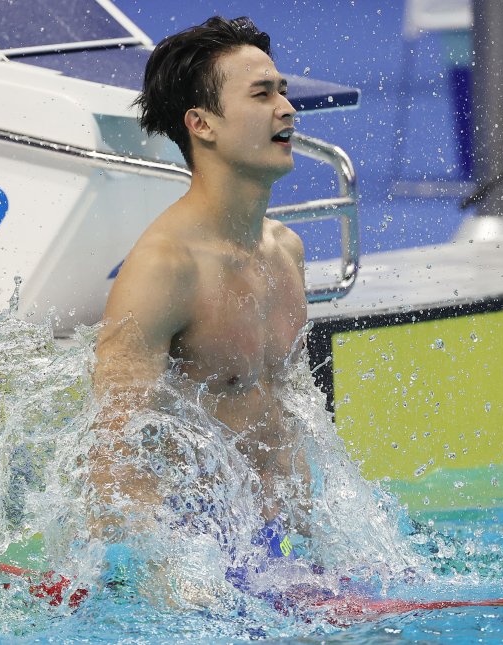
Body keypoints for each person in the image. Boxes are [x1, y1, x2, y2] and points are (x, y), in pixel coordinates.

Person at [88, 17, 309, 554]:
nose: (286, 108)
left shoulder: (285, 251)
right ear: (201, 124)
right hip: (196, 562)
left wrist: (319, 543)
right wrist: (180, 589)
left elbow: (292, 417)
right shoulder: (165, 268)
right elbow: (111, 458)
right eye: (262, 95)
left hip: (275, 551)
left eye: (282, 91)